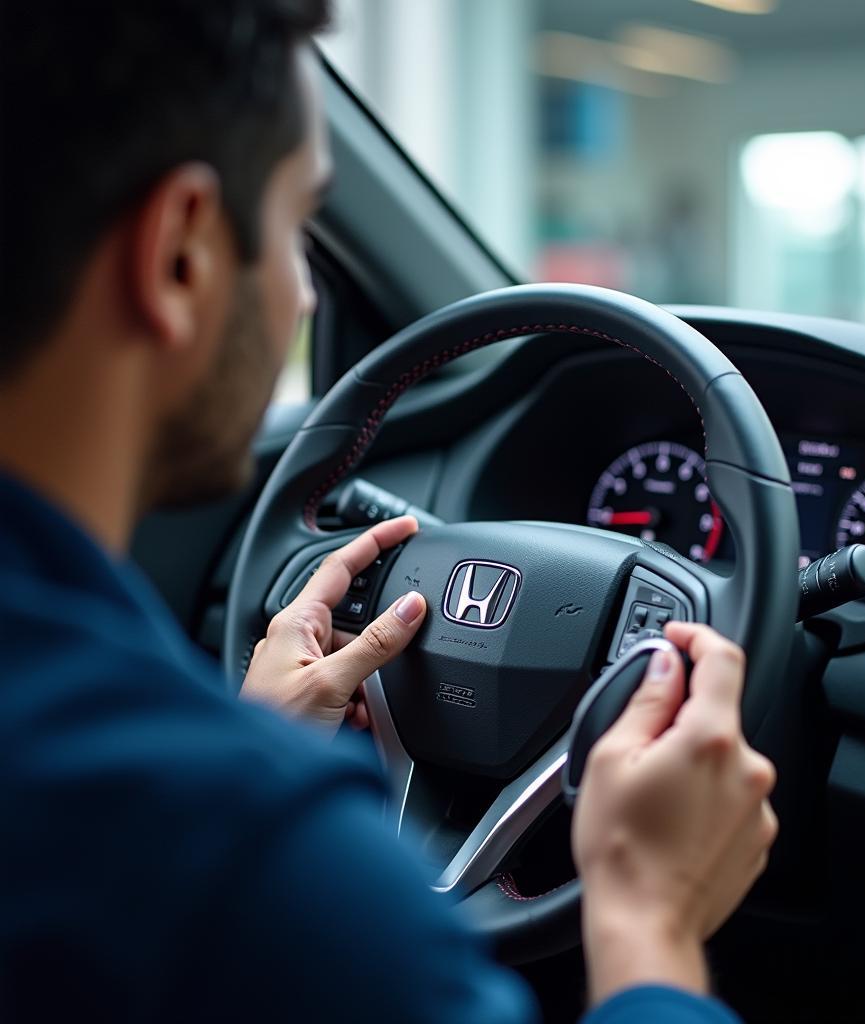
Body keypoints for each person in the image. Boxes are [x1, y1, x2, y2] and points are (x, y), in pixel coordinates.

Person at [0, 3, 778, 1021]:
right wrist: (649, 918)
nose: (307, 298)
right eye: (296, 230)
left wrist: (252, 734)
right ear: (183, 254)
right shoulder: (263, 869)